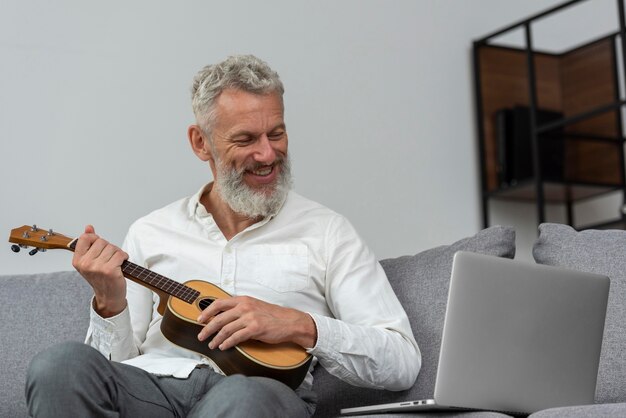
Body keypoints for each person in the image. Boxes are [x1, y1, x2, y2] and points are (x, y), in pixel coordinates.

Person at [26, 55, 421, 418]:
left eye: (277, 134)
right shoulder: (151, 230)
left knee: (242, 398)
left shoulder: (328, 232)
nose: (267, 154)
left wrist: (297, 324)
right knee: (58, 366)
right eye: (246, 140)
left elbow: (401, 360)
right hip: (154, 391)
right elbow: (113, 370)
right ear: (201, 143)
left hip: (258, 396)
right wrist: (110, 305)